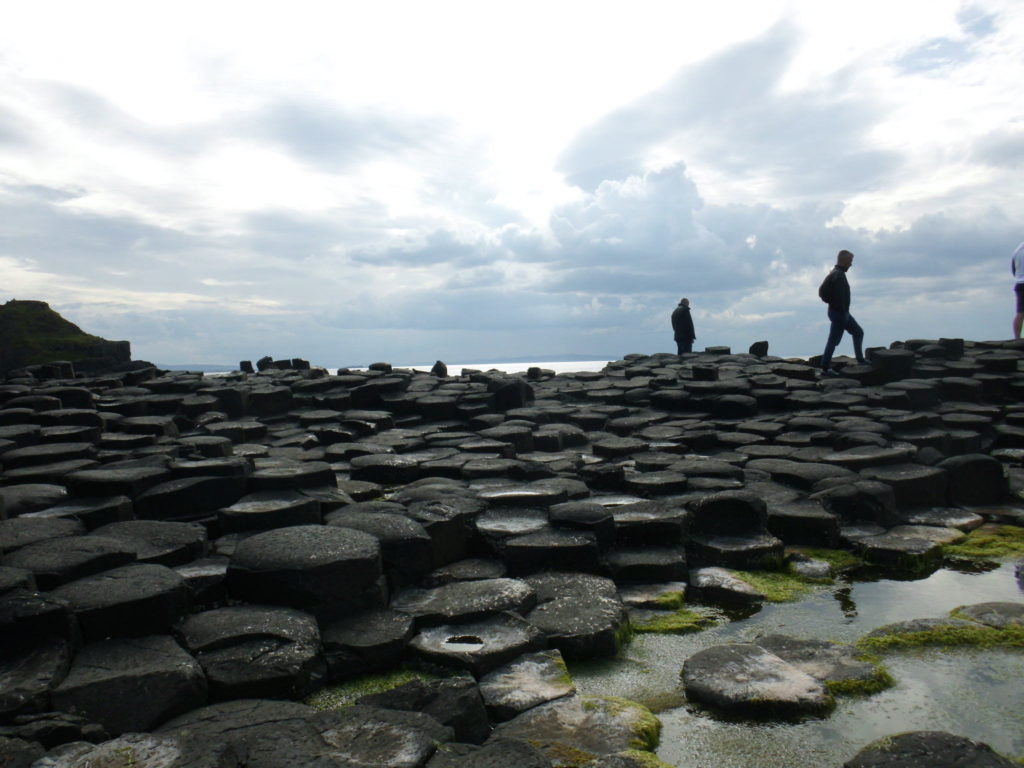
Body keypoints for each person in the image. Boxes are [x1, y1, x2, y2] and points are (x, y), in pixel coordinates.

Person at [819, 249, 866, 376]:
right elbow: (840, 298)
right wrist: (843, 314)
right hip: (839, 313)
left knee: (857, 332)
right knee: (834, 340)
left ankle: (860, 360)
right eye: (850, 260)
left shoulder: (835, 273)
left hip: (838, 312)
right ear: (843, 260)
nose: (851, 264)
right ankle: (825, 368)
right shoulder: (839, 275)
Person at [1012, 241, 1024, 339]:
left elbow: (1013, 270)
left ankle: (1017, 338)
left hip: (1020, 283)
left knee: (1020, 312)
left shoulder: (1017, 250)